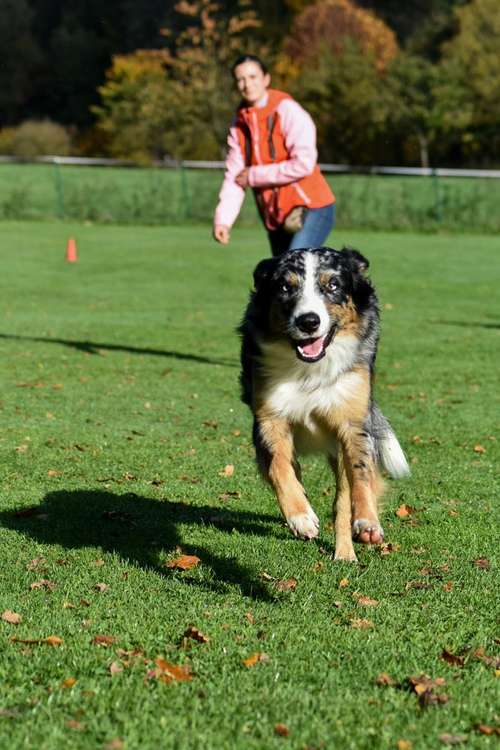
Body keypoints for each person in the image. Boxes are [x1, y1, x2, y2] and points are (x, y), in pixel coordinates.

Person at [213, 54, 336, 256]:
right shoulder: (239, 125)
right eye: (241, 79)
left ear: (266, 79)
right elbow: (235, 178)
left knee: (295, 266)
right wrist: (223, 221)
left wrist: (254, 175)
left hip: (312, 207)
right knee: (279, 280)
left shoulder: (288, 111)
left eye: (253, 77)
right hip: (275, 217)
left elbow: (304, 163)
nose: (247, 84)